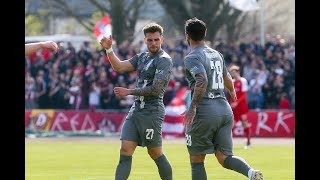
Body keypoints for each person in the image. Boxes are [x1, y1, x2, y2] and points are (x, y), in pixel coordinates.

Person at [182, 17, 263, 180]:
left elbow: (202, 80)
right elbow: (227, 76)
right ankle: (251, 173)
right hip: (224, 110)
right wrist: (232, 92)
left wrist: (192, 107)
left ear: (187, 36)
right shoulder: (216, 54)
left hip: (205, 111)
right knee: (224, 157)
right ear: (205, 34)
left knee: (196, 160)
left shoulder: (192, 57)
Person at [100, 23, 173, 180]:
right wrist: (109, 50)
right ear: (145, 40)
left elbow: (156, 89)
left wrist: (129, 92)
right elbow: (119, 67)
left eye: (156, 40)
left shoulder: (164, 60)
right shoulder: (142, 57)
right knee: (125, 150)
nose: (153, 43)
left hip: (152, 112)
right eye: (150, 40)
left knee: (155, 153)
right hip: (136, 110)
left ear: (162, 39)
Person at [229, 65, 252, 149]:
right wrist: (231, 103)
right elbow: (231, 94)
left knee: (244, 122)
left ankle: (249, 142)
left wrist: (237, 102)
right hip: (234, 106)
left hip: (241, 105)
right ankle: (228, 143)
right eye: (231, 72)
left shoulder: (243, 81)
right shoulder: (232, 81)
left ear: (238, 72)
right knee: (230, 124)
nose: (232, 74)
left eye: (233, 72)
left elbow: (244, 94)